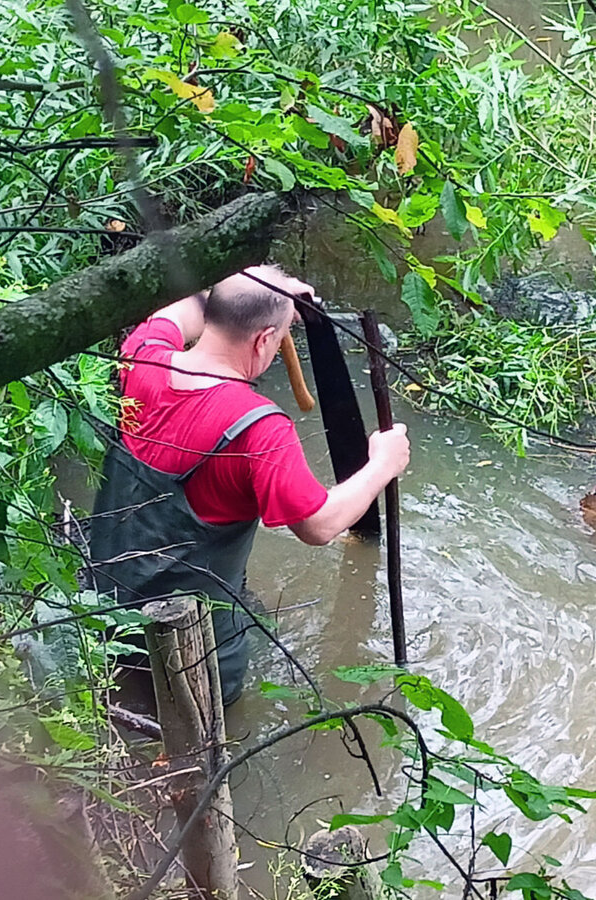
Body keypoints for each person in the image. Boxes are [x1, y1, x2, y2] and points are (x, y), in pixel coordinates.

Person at [89, 264, 409, 707]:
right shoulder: (257, 429)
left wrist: (260, 291)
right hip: (196, 662)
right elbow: (319, 526)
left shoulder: (141, 356)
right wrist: (382, 465)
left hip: (103, 619)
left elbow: (178, 311)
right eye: (275, 340)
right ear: (263, 340)